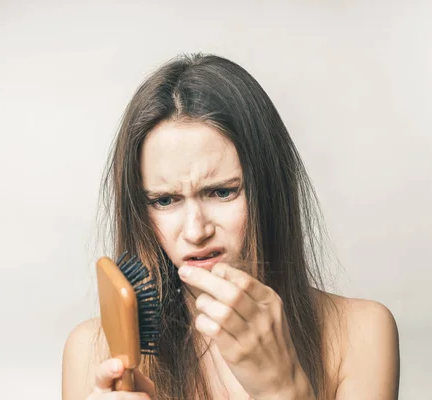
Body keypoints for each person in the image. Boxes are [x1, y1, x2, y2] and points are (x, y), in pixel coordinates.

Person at [61, 53, 400, 400]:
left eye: (222, 192)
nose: (195, 232)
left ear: (269, 190)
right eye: (165, 200)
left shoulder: (361, 334)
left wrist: (283, 389)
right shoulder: (91, 351)